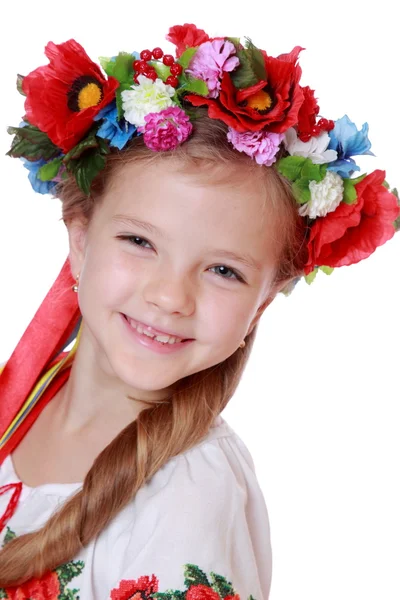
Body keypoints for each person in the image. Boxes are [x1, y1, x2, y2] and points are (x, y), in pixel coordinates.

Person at [0, 23, 398, 599]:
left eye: (223, 271)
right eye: (140, 242)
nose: (169, 296)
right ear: (80, 241)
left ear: (264, 298)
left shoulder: (187, 496)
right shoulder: (29, 398)